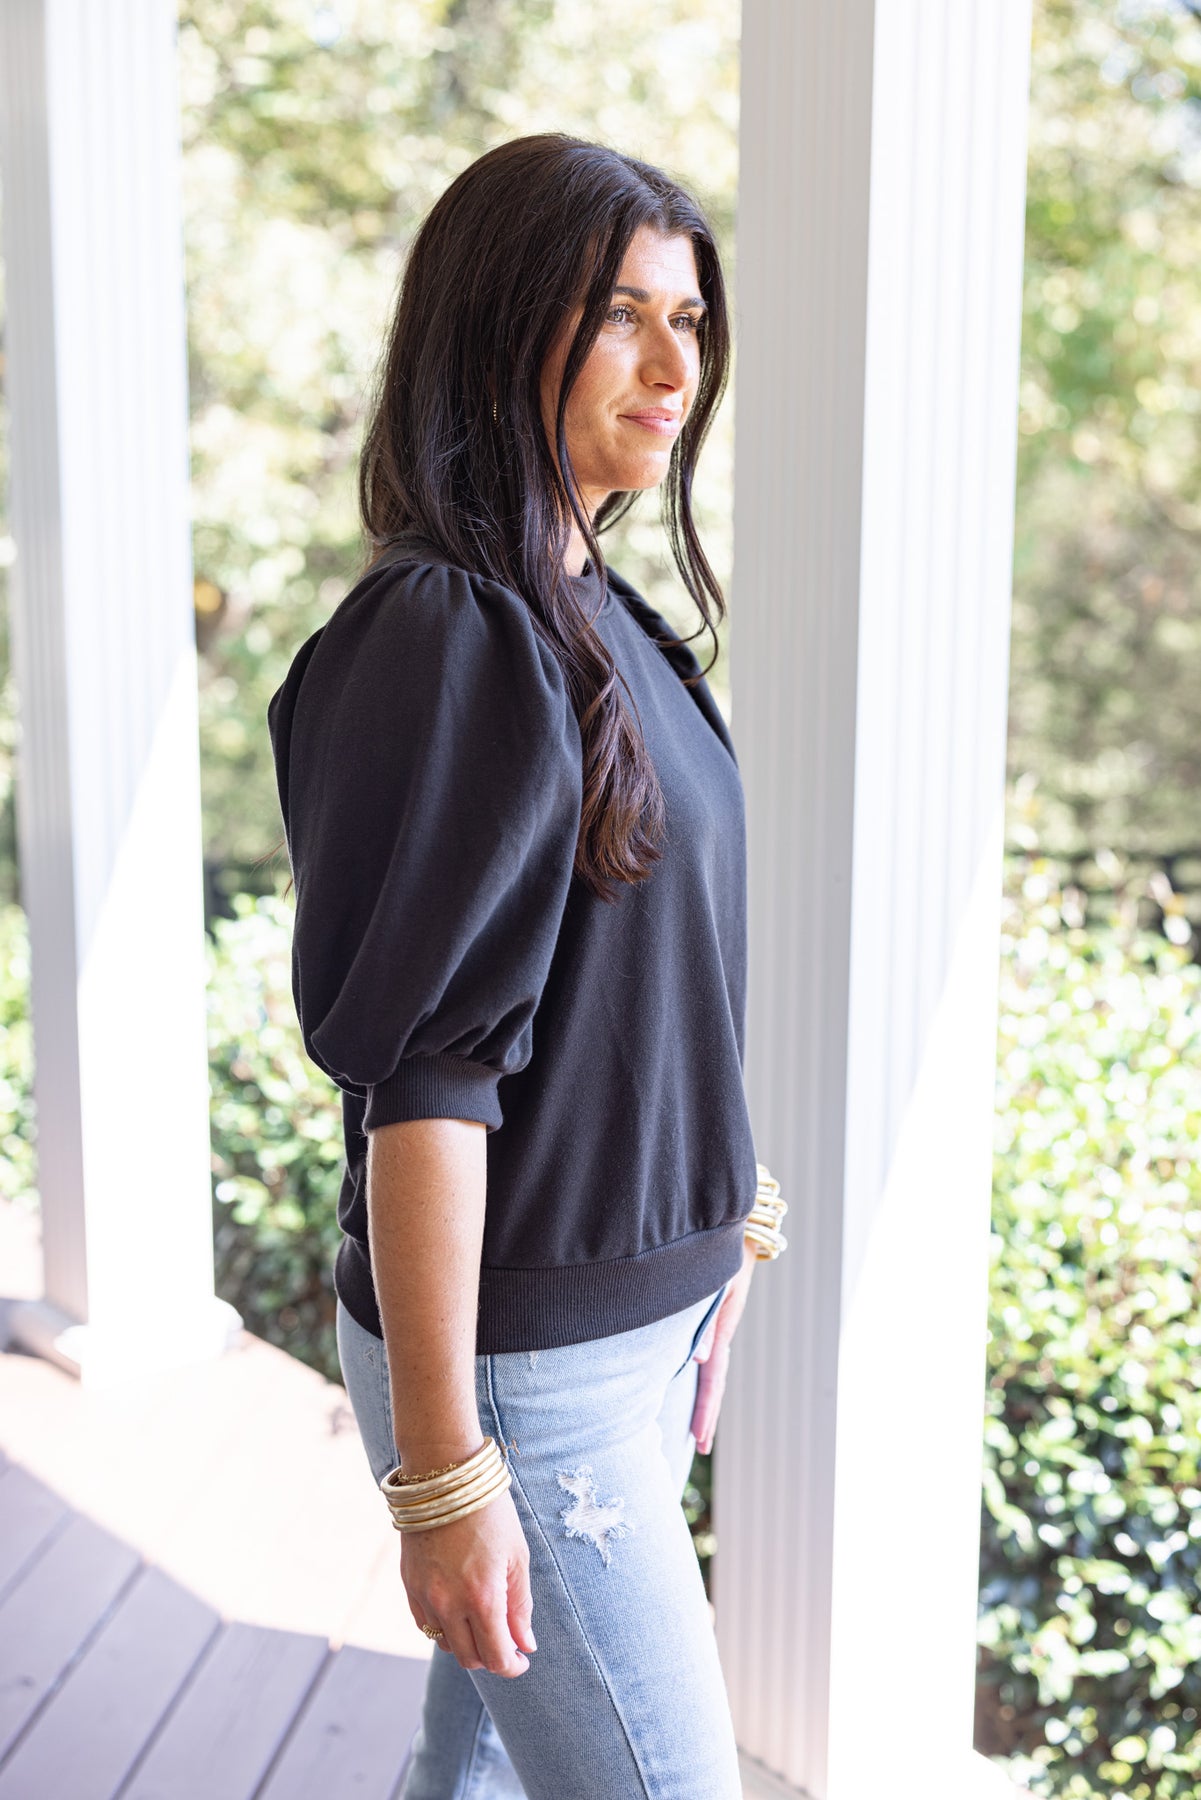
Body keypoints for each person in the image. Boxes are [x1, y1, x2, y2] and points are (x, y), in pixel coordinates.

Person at [266, 131, 787, 1800]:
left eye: (688, 320)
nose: (672, 367)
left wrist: (719, 1209)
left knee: (480, 1774)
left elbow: (639, 977)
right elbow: (426, 1078)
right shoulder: (450, 632)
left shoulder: (600, 613)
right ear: (499, 327)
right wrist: (443, 1474)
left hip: (627, 1337)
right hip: (527, 1375)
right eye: (619, 314)